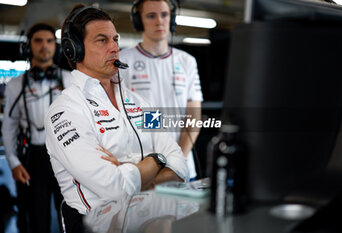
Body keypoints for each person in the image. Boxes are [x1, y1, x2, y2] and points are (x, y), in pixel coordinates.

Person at [44, 4, 188, 232]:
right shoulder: (64, 111)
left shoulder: (144, 104)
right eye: (102, 40)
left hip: (149, 219)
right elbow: (115, 187)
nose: (114, 48)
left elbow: (180, 166)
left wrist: (132, 171)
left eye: (115, 39)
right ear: (75, 50)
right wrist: (158, 160)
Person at [119, 0, 203, 180]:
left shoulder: (187, 61)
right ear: (139, 21)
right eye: (151, 15)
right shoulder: (123, 60)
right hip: (141, 169)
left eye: (164, 14)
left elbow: (194, 117)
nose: (159, 21)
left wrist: (177, 160)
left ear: (172, 19)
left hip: (183, 168)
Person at [1, 23, 72, 233]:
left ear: (56, 46)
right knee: (35, 219)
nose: (44, 46)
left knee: (70, 215)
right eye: (38, 41)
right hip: (33, 159)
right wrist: (14, 163)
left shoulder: (69, 80)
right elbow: (9, 126)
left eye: (50, 41)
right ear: (28, 46)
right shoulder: (16, 84)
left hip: (66, 157)